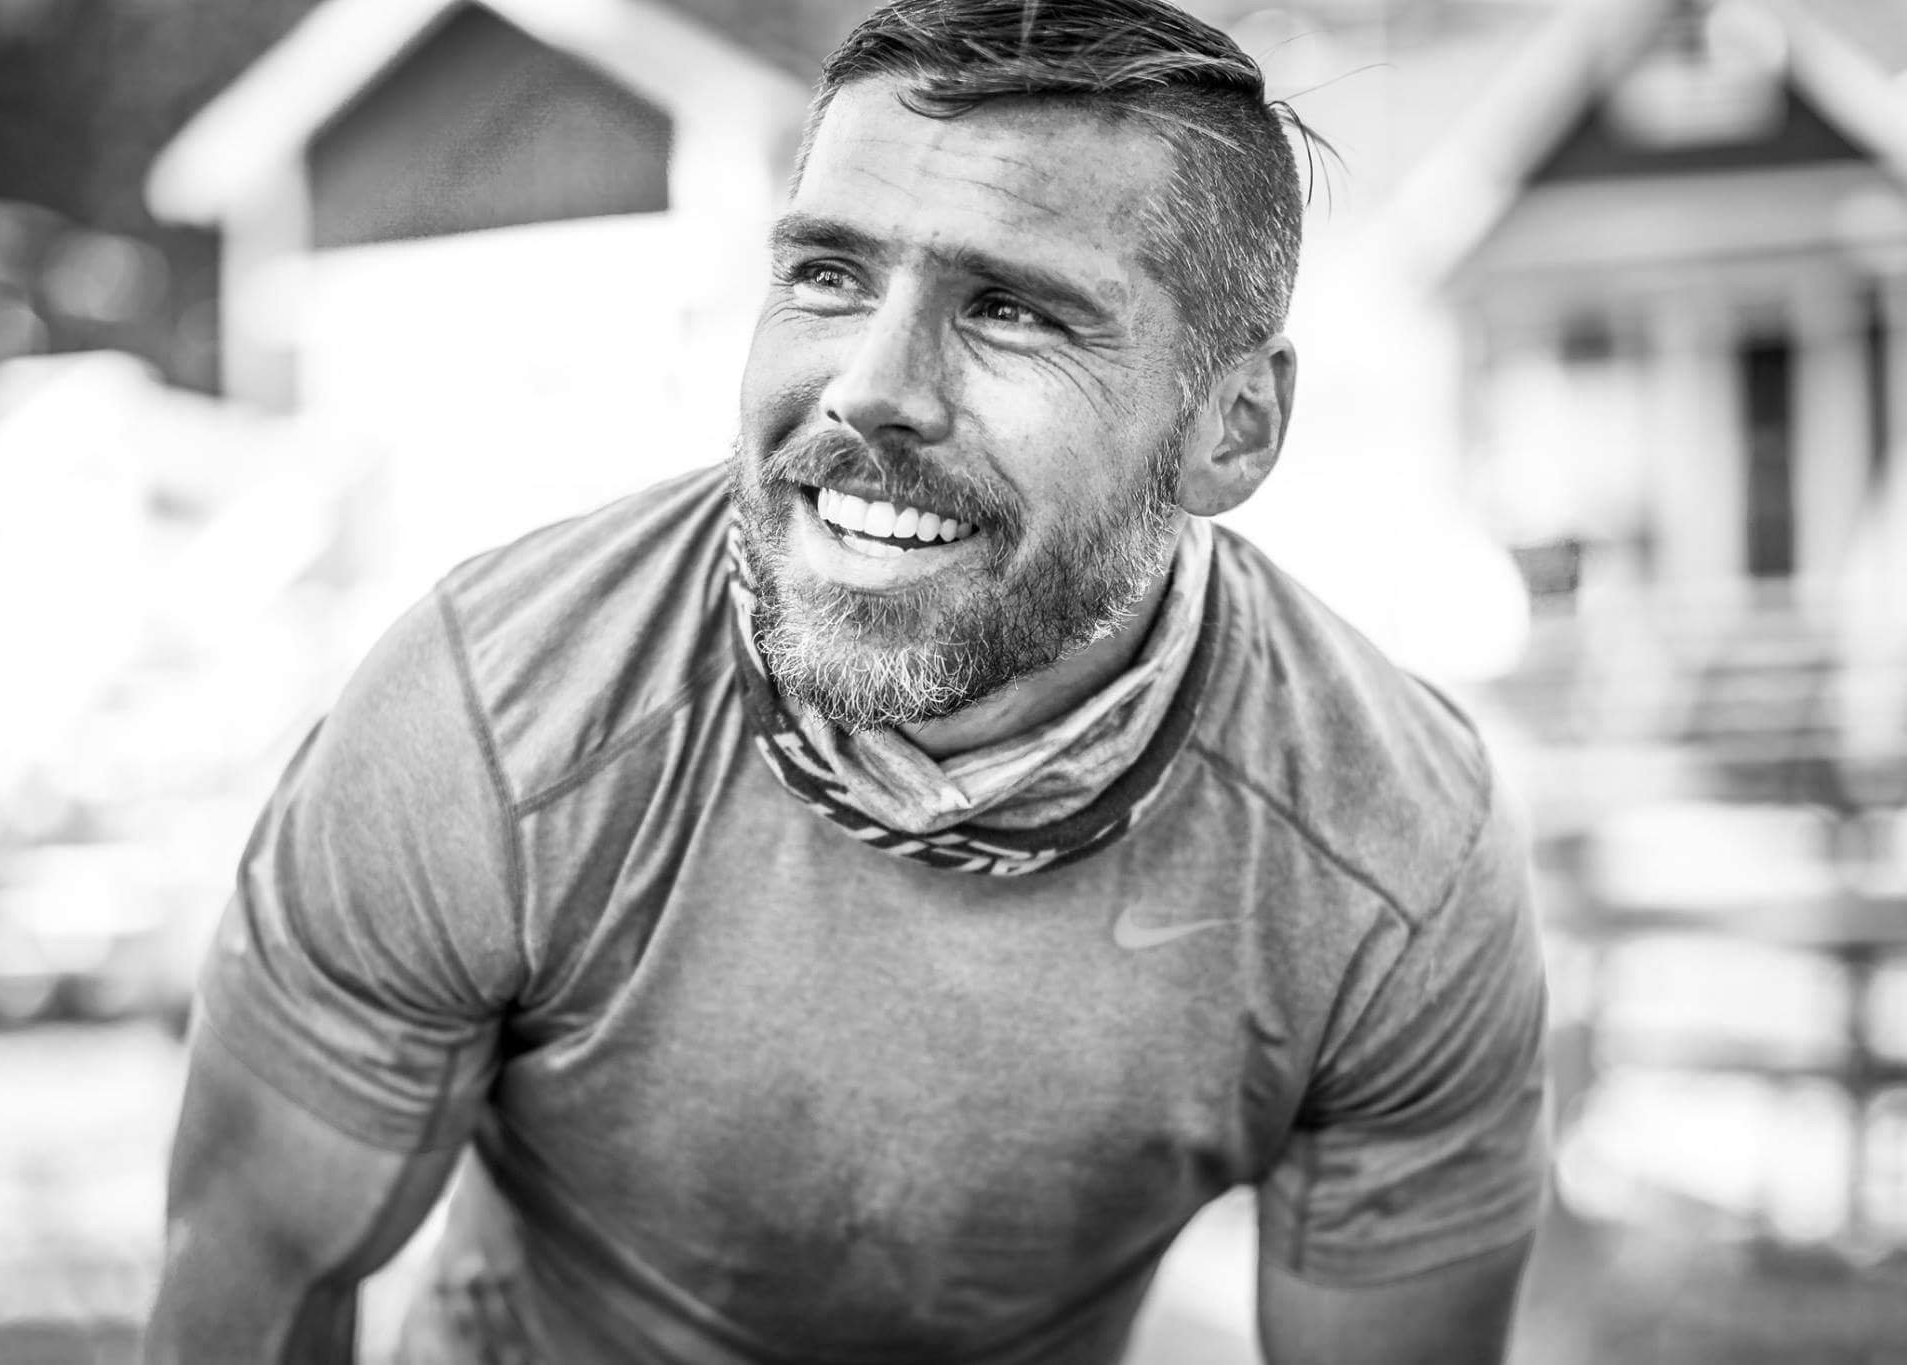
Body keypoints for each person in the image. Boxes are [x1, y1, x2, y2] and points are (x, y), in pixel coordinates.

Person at [145, 1, 1550, 1361]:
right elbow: (256, 1280)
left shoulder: (1391, 856)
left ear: (1233, 426)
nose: (872, 388)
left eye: (1012, 309)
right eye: (829, 274)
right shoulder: (493, 720)